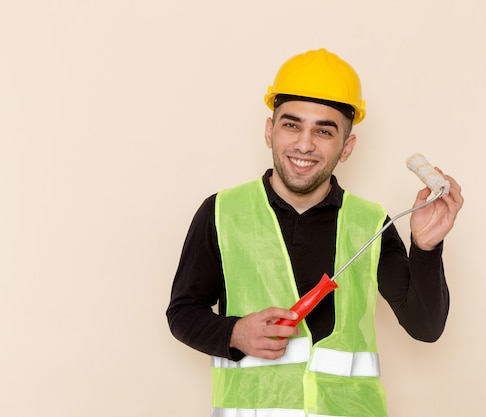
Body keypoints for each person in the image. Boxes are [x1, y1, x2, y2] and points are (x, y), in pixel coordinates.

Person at [167, 48, 463, 417]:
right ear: (269, 131)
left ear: (347, 147)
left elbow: (426, 327)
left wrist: (426, 248)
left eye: (324, 131)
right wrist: (234, 334)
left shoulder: (370, 222)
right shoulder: (222, 211)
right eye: (291, 124)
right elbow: (182, 313)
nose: (305, 144)